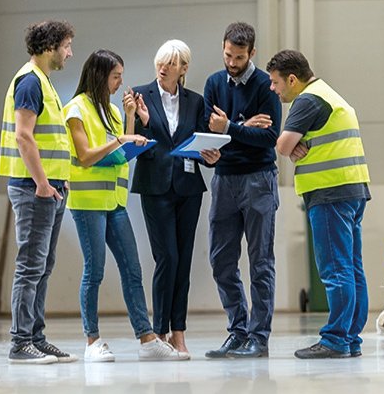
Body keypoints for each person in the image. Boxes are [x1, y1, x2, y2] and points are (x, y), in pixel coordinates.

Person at [64, 49, 188, 362]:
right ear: (100, 75)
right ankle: (92, 341)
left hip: (116, 202)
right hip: (89, 202)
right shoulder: (76, 109)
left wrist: (130, 119)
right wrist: (121, 141)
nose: (121, 82)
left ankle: (147, 339)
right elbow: (85, 156)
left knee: (133, 269)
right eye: (116, 76)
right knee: (94, 272)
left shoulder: (112, 110)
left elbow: (122, 149)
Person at [267, 49, 371, 359]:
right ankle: (350, 338)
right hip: (353, 189)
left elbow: (283, 145)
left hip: (329, 194)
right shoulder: (330, 94)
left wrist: (290, 144)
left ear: (293, 79)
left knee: (335, 269)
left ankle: (335, 340)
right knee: (352, 268)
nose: (273, 89)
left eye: (276, 83)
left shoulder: (307, 100)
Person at [129, 40, 221, 355]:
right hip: (155, 185)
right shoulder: (140, 95)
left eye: (171, 63)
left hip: (188, 186)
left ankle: (178, 333)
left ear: (183, 68)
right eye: (160, 61)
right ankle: (159, 331)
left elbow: (202, 143)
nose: (163, 67)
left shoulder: (196, 102)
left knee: (182, 261)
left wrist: (212, 156)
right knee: (166, 257)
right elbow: (133, 138)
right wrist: (139, 119)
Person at [0, 20, 77, 364]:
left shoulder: (44, 83)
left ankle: (36, 338)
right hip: (34, 189)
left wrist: (58, 180)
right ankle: (20, 343)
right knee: (30, 266)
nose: (70, 53)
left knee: (42, 266)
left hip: (50, 188)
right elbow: (23, 135)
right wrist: (43, 182)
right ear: (50, 47)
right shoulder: (30, 82)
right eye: (67, 46)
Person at [202, 22, 282, 359]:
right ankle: (237, 331)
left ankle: (258, 337)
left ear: (252, 53)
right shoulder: (214, 83)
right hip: (223, 179)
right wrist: (224, 140)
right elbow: (209, 131)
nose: (231, 62)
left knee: (260, 261)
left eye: (238, 57)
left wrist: (230, 128)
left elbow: (270, 138)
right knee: (221, 260)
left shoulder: (266, 85)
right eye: (227, 55)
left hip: (258, 179)